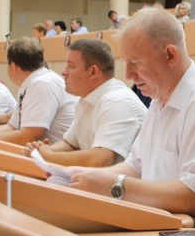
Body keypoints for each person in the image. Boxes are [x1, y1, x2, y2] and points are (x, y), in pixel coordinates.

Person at [69, 9, 195, 236]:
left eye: (135, 62)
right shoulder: (159, 99)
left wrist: (114, 185)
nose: (128, 74)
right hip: (173, 229)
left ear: (171, 55)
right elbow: (136, 167)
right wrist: (82, 176)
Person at [21, 39, 147, 167]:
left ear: (93, 72)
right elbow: (71, 144)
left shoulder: (117, 102)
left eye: (71, 66)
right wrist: (42, 150)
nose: (64, 72)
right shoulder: (85, 100)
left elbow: (100, 159)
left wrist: (49, 156)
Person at [0, 38, 76, 145]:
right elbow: (12, 127)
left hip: (56, 155)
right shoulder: (32, 82)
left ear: (13, 67)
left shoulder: (42, 83)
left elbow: (29, 136)